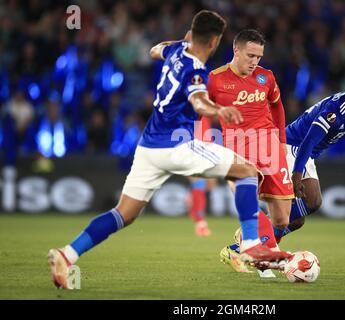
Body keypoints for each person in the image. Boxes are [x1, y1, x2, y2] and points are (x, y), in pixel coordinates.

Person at [47, 10, 291, 289]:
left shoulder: (176, 50)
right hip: (177, 146)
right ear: (214, 42)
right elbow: (199, 102)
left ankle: (67, 254)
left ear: (191, 35)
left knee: (123, 214)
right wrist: (219, 109)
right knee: (246, 170)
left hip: (148, 147)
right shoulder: (197, 70)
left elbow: (154, 50)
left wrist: (179, 43)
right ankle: (249, 244)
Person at [225, 69, 345, 268]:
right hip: (294, 148)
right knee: (313, 201)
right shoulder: (337, 110)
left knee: (297, 220)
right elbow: (309, 140)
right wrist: (297, 175)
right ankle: (249, 240)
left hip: (305, 153)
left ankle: (249, 247)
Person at [206, 30, 295, 272]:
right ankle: (264, 252)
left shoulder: (266, 77)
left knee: (283, 219)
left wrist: (282, 141)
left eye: (259, 56)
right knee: (245, 196)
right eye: (250, 55)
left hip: (269, 146)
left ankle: (244, 239)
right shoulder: (215, 79)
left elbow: (277, 106)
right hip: (236, 147)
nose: (255, 61)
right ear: (236, 51)